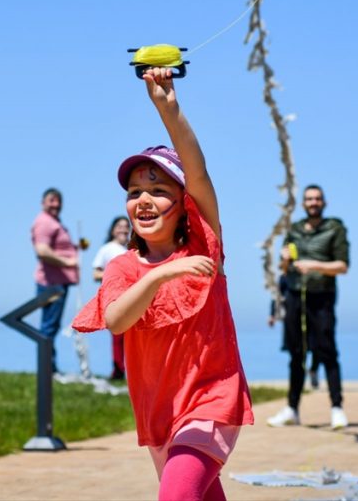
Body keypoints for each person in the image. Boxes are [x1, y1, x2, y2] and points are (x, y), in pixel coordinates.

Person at [73, 67, 253, 501]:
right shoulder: (121, 267)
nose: (143, 199)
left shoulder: (204, 243)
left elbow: (199, 174)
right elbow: (116, 321)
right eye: (134, 192)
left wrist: (167, 108)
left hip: (210, 402)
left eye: (157, 188)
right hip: (160, 415)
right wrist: (160, 274)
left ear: (183, 204)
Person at [267, 184, 349, 430]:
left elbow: (343, 266)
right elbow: (284, 269)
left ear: (324, 202)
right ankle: (292, 408)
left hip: (322, 297)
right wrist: (284, 260)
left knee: (327, 352)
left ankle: (337, 408)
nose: (313, 202)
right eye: (309, 199)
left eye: (317, 199)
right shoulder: (294, 230)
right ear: (304, 204)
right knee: (296, 354)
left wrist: (314, 265)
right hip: (295, 296)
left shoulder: (335, 228)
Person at [30, 188, 80, 373]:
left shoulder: (54, 222)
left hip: (57, 282)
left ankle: (49, 366)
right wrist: (68, 262)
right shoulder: (44, 222)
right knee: (49, 326)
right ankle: (47, 368)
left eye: (58, 200)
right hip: (51, 283)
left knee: (51, 325)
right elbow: (42, 251)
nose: (56, 204)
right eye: (51, 200)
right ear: (43, 202)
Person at [92, 216, 131, 380]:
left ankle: (131, 372)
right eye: (119, 226)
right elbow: (95, 274)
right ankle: (118, 370)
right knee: (117, 334)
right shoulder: (107, 249)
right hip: (114, 296)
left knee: (132, 337)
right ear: (113, 229)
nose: (123, 229)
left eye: (126, 226)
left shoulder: (132, 249)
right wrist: (116, 276)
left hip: (132, 296)